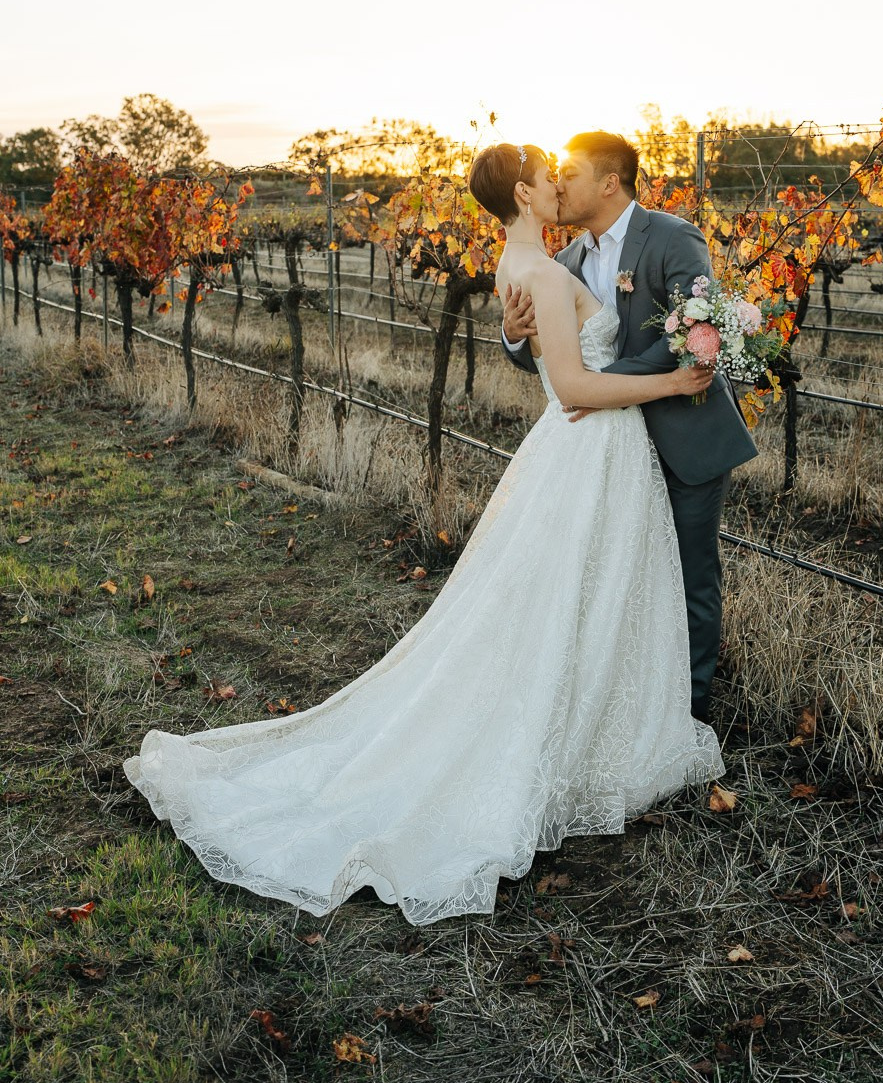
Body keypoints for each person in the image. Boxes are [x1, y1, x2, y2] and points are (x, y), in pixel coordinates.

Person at [123, 143, 723, 927]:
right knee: (571, 591)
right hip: (590, 443)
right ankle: (578, 733)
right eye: (550, 178)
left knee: (593, 590)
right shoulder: (549, 269)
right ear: (524, 192)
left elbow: (573, 344)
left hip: (598, 450)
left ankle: (614, 713)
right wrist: (671, 378)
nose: (559, 187)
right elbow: (573, 383)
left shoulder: (537, 261)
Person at [502, 131, 757, 724]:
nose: (558, 183)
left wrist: (596, 385)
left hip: (682, 435)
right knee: (620, 579)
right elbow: (548, 357)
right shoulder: (563, 262)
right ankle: (631, 711)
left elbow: (690, 336)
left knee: (689, 578)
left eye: (570, 172)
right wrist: (513, 334)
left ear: (609, 183)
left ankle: (688, 716)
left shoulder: (671, 236)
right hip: (608, 452)